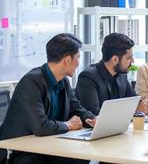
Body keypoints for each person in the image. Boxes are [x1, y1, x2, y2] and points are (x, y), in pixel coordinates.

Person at [0, 33, 96, 164]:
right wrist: (68, 125)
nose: (78, 63)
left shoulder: (63, 81)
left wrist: (93, 119)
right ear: (67, 60)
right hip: (23, 152)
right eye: (78, 57)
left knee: (82, 157)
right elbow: (41, 126)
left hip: (49, 144)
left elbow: (76, 109)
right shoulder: (31, 82)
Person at [76, 33, 137, 116]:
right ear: (115, 59)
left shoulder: (122, 75)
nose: (132, 61)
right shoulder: (88, 77)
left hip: (117, 126)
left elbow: (134, 102)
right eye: (129, 58)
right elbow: (93, 114)